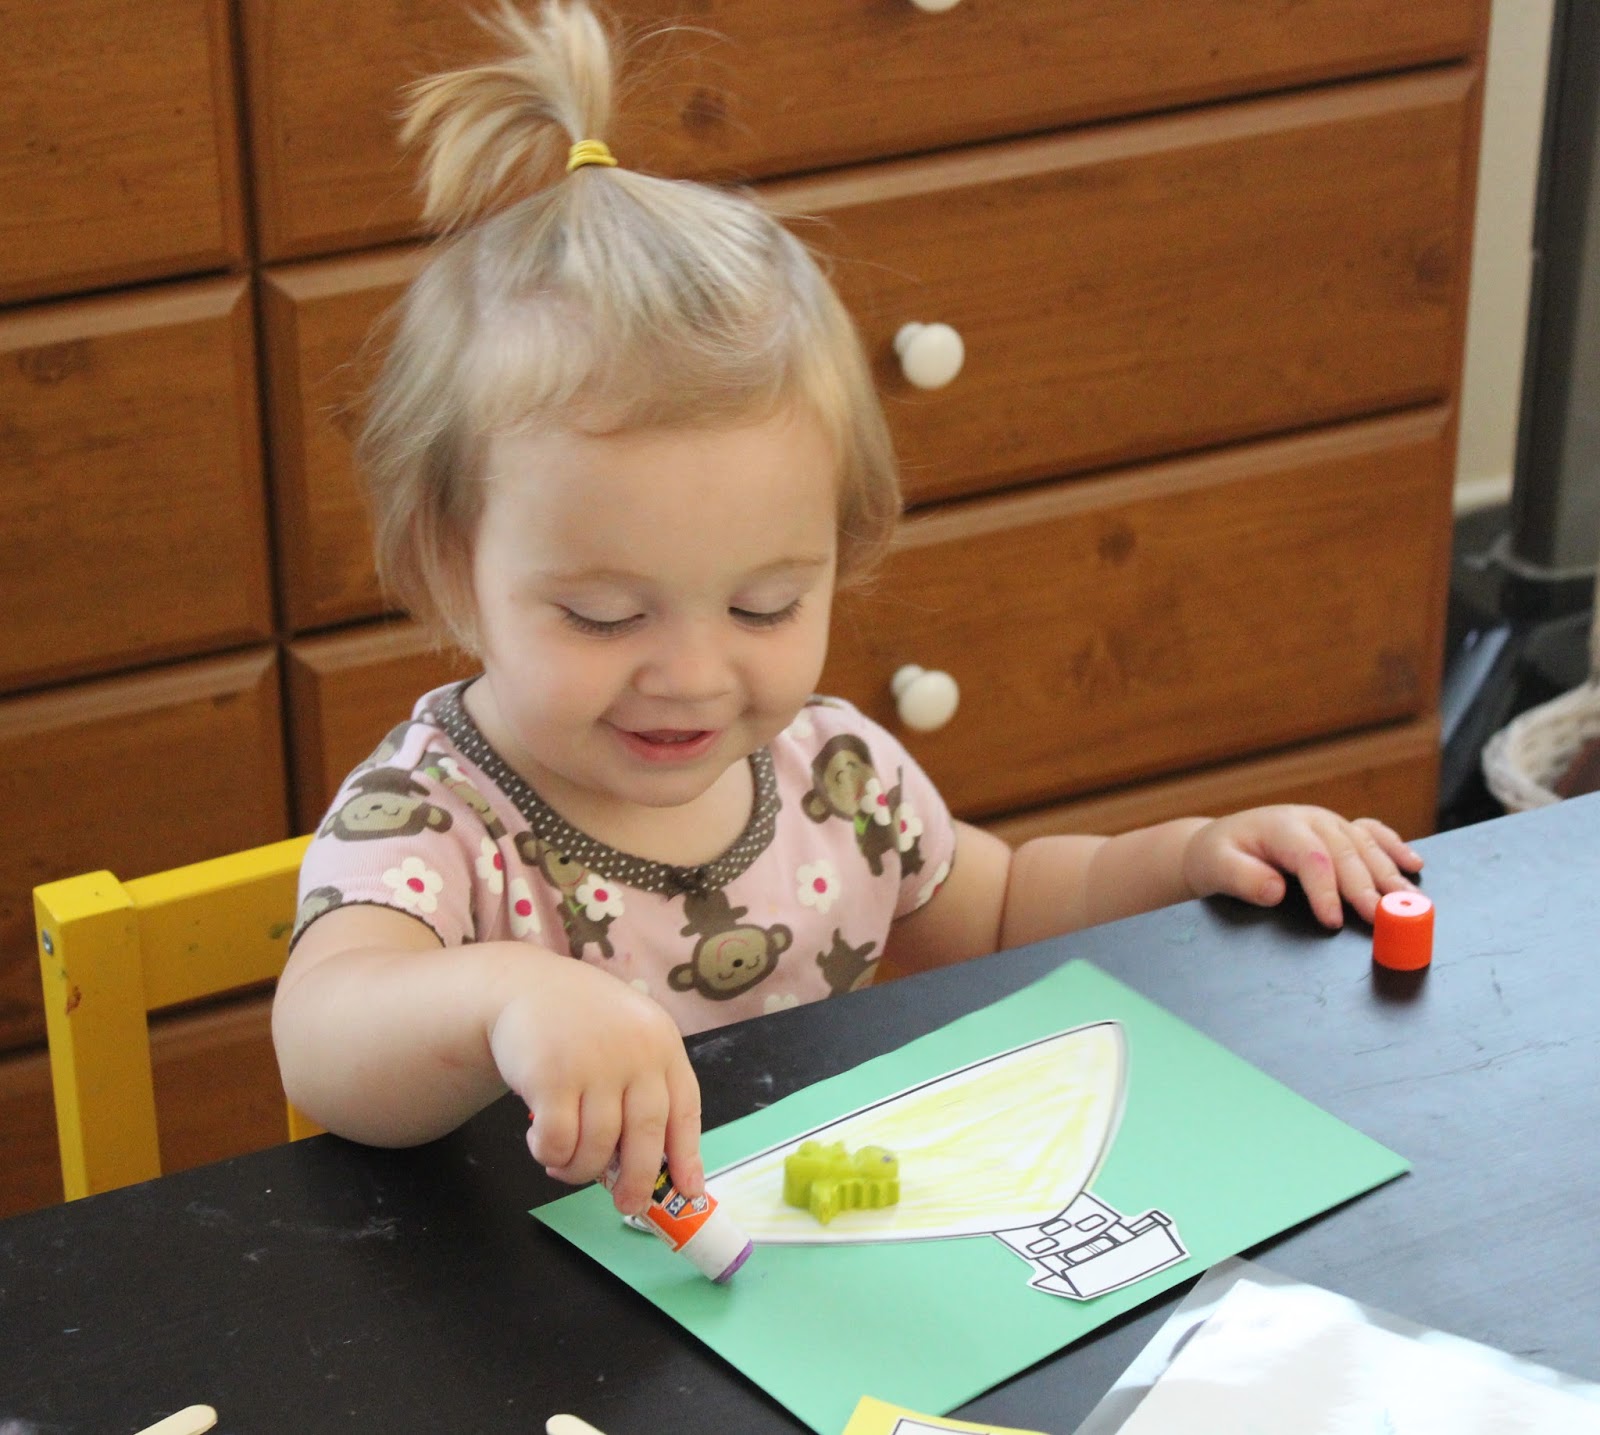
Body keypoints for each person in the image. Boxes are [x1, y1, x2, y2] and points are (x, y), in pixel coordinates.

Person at [272, 0, 1424, 1221]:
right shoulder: (432, 819)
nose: (696, 674)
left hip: (790, 1293)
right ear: (453, 571)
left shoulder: (834, 778)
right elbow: (328, 1044)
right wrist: (505, 999)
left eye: (766, 604)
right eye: (607, 615)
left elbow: (1010, 907)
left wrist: (1193, 858)